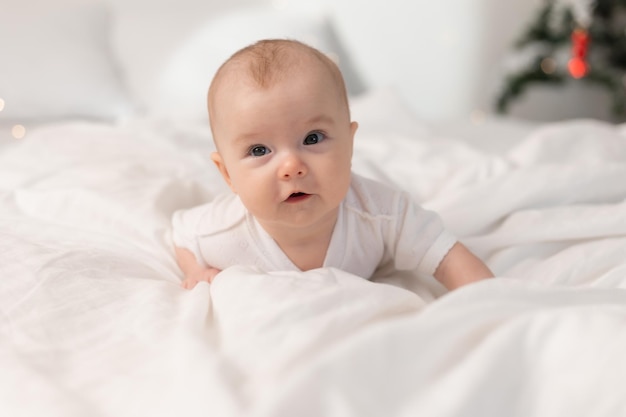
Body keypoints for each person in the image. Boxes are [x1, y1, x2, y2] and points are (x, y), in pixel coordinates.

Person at [172, 39, 494, 291]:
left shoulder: (382, 212)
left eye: (313, 138)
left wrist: (494, 306)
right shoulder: (222, 232)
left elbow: (447, 255)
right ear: (227, 174)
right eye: (259, 149)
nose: (291, 167)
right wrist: (195, 271)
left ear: (350, 143)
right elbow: (181, 235)